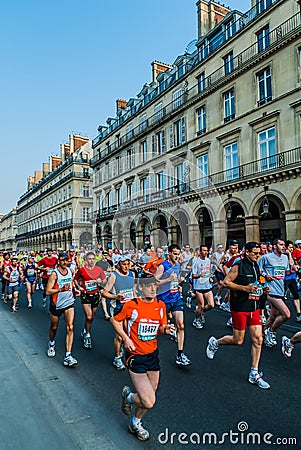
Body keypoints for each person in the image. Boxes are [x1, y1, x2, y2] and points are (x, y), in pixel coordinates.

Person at [110, 274, 175, 441]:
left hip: (153, 355)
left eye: (155, 286)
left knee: (149, 395)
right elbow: (115, 320)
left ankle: (135, 422)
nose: (153, 289)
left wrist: (166, 329)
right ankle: (129, 397)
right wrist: (126, 338)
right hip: (136, 356)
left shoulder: (161, 305)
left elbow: (161, 326)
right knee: (149, 401)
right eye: (149, 286)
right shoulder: (132, 305)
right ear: (140, 288)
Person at [206, 242, 270, 389]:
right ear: (247, 252)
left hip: (254, 307)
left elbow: (255, 283)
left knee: (258, 340)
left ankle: (254, 372)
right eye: (255, 253)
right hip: (240, 307)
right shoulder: (238, 266)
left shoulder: (256, 265)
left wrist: (262, 289)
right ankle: (216, 342)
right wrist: (244, 288)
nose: (257, 255)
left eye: (259, 253)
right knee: (238, 340)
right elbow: (226, 282)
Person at [156, 243, 191, 366]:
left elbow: (175, 281)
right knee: (157, 328)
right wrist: (168, 280)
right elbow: (154, 283)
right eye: (175, 254)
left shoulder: (177, 266)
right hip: (163, 301)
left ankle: (180, 354)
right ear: (169, 254)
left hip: (175, 298)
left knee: (180, 325)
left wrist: (179, 285)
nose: (177, 256)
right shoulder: (162, 266)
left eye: (178, 254)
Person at [102, 255, 136, 370]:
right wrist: (116, 296)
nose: (126, 267)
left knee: (132, 334)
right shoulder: (114, 276)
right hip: (119, 309)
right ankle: (117, 358)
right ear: (118, 265)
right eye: (123, 264)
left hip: (131, 309)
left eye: (128, 264)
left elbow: (134, 291)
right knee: (120, 337)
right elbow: (104, 293)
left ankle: (129, 353)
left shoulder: (132, 274)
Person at [45, 252, 78, 367]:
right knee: (54, 327)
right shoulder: (54, 274)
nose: (65, 262)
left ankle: (68, 356)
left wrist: (76, 289)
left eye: (67, 260)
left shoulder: (70, 271)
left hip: (69, 302)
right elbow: (47, 291)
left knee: (70, 327)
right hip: (56, 304)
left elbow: (71, 282)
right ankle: (51, 343)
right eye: (62, 260)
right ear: (58, 260)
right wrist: (60, 290)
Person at [258, 238, 291, 348]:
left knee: (273, 316)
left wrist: (292, 270)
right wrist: (265, 275)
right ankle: (271, 331)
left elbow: (285, 272)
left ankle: (262, 334)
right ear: (274, 246)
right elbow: (257, 269)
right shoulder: (266, 257)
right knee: (286, 314)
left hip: (280, 289)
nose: (283, 247)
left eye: (284, 245)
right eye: (281, 244)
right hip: (270, 290)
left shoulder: (285, 258)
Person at [74, 251, 106, 349]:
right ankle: (87, 335)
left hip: (95, 295)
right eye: (90, 259)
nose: (91, 261)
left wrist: (101, 281)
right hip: (85, 295)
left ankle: (85, 329)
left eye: (93, 259)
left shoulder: (99, 269)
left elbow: (104, 280)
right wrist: (79, 287)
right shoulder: (82, 270)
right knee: (88, 316)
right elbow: (75, 279)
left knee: (92, 317)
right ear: (86, 260)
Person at [192, 245, 214, 329]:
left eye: (207, 250)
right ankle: (196, 320)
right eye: (204, 250)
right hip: (198, 287)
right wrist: (200, 275)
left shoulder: (208, 260)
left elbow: (209, 271)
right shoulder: (196, 261)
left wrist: (210, 277)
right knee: (200, 305)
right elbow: (193, 275)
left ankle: (202, 312)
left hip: (207, 285)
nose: (206, 252)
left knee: (211, 305)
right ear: (200, 252)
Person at [284, 240, 301, 322]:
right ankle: (273, 308)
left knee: (296, 295)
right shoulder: (283, 256)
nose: (292, 249)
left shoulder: (292, 255)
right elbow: (290, 264)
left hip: (292, 278)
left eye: (292, 247)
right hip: (284, 279)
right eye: (290, 247)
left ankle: (298, 313)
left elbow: (293, 265)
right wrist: (289, 254)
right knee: (281, 296)